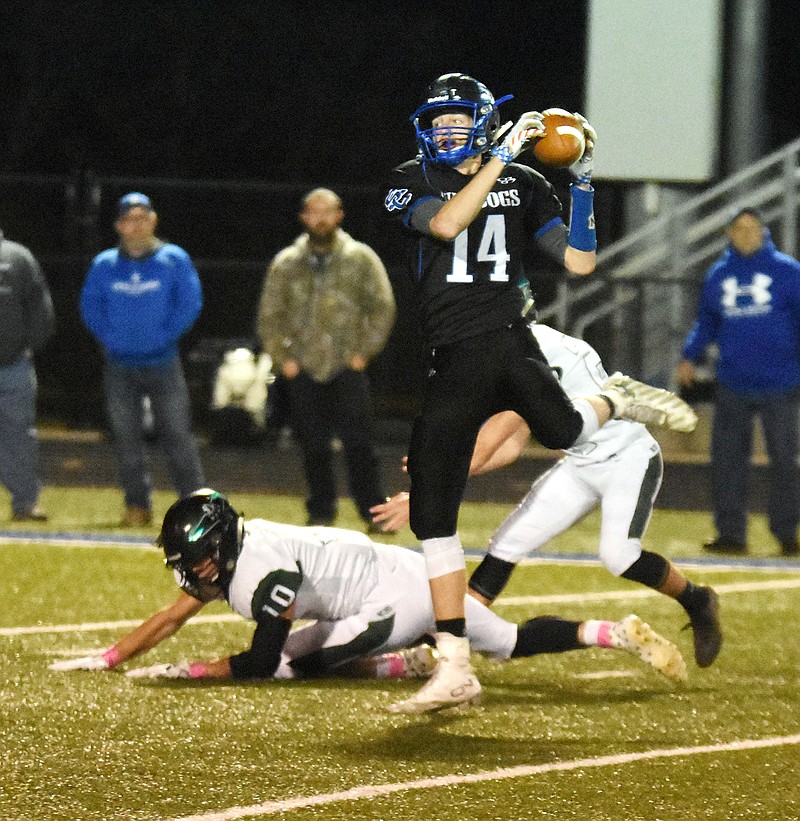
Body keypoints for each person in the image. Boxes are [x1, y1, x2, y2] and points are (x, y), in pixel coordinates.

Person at [381, 72, 696, 712]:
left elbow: (579, 263)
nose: (444, 131)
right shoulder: (405, 180)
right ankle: (456, 667)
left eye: (456, 120)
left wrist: (580, 179)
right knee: (432, 514)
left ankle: (618, 398)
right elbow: (445, 224)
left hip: (507, 335)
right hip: (450, 352)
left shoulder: (526, 183)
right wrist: (499, 157)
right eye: (436, 121)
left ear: (482, 119)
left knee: (561, 431)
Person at [49, 489, 687, 687]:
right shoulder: (241, 552)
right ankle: (615, 632)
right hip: (398, 573)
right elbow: (172, 614)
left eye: (198, 558)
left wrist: (183, 674)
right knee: (508, 642)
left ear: (219, 546)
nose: (195, 571)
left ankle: (403, 659)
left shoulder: (261, 571)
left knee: (303, 664)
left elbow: (259, 660)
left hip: (393, 597)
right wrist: (111, 656)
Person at [371, 323, 721, 670]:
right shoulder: (524, 344)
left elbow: (485, 445)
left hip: (628, 457)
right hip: (581, 462)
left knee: (620, 557)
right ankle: (447, 642)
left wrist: (422, 493)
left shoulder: (517, 353)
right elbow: (509, 447)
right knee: (507, 543)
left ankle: (697, 599)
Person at [257, 188, 396, 531]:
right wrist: (283, 358)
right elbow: (269, 315)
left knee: (360, 445)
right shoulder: (287, 262)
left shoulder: (360, 258)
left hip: (348, 366)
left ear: (339, 215)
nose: (320, 218)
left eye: (327, 211)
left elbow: (383, 306)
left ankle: (374, 513)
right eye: (313, 212)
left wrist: (364, 353)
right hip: (303, 368)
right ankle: (320, 512)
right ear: (304, 217)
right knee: (312, 445)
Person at [676, 207, 800, 557]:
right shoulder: (719, 274)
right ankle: (731, 534)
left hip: (781, 380)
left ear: (764, 231)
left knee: (785, 461)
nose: (746, 235)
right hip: (733, 380)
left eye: (752, 229)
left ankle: (788, 534)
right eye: (740, 229)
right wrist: (690, 355)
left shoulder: (788, 272)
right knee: (728, 461)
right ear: (730, 233)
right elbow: (707, 321)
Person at [80, 192, 206, 526]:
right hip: (119, 364)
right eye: (129, 219)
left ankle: (195, 509)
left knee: (178, 434)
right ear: (119, 225)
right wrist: (110, 339)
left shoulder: (173, 259)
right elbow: (91, 307)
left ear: (153, 221)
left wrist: (164, 336)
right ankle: (137, 505)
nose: (136, 226)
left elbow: (190, 303)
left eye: (142, 218)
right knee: (125, 437)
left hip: (164, 361)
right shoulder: (105, 264)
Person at [0, 230, 55, 521]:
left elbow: (41, 309)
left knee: (19, 436)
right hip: (15, 366)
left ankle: (24, 503)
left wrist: (25, 348)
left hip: (14, 367)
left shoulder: (17, 256)